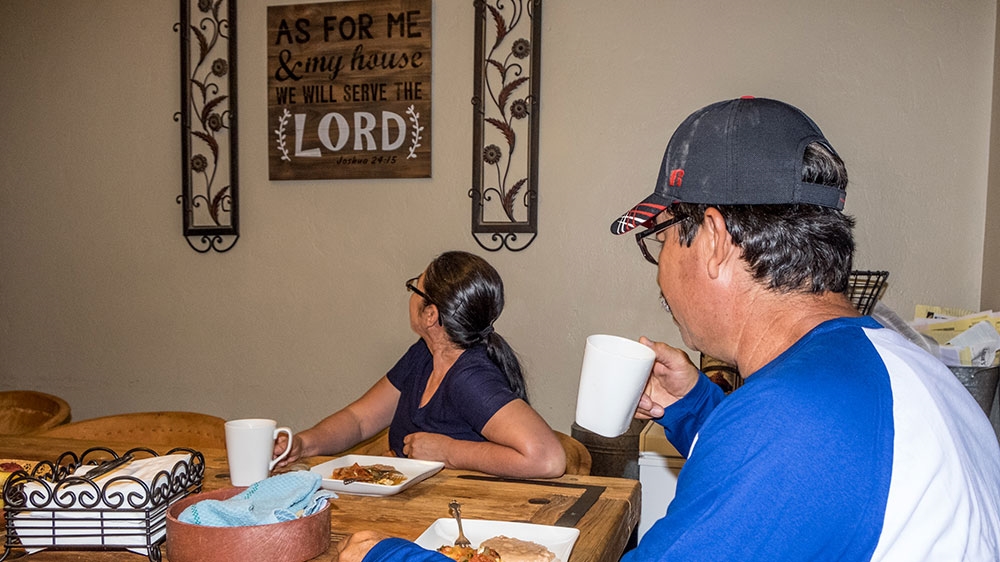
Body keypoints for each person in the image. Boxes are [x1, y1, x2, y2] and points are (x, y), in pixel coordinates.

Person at [337, 97, 1000, 562]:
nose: (658, 270)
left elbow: (788, 454)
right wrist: (693, 407)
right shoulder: (892, 361)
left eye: (659, 242)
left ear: (712, 238)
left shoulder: (798, 420)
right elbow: (806, 484)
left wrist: (393, 557)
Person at [274, 250, 565, 480]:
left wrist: (448, 451)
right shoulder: (424, 355)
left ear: (430, 315)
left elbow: (547, 458)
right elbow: (359, 420)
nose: (411, 296)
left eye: (416, 288)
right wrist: (302, 444)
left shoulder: (469, 377)